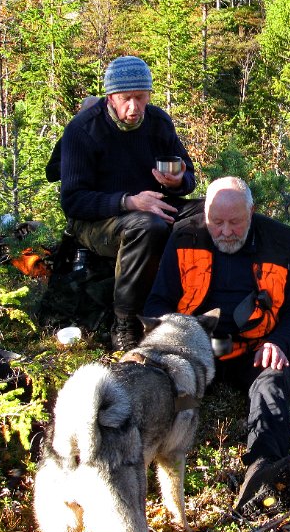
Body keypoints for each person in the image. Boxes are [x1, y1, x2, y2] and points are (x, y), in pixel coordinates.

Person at [144, 176, 290, 517]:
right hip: (196, 348)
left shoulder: (279, 243)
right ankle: (140, 461)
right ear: (205, 213)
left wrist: (278, 342)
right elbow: (157, 302)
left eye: (235, 222)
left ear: (251, 212)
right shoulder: (184, 236)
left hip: (253, 348)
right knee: (164, 389)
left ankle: (262, 472)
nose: (224, 231)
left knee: (272, 382)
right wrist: (175, 341)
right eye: (216, 222)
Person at [59, 56, 202, 351]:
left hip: (152, 206)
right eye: (126, 98)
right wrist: (128, 201)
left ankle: (200, 301)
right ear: (111, 97)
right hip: (96, 220)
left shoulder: (158, 122)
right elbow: (73, 201)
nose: (134, 107)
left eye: (141, 97)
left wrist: (177, 182)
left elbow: (189, 175)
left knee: (211, 212)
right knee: (147, 227)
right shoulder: (84, 129)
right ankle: (125, 324)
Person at [46, 96, 100, 183]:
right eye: (89, 113)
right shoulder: (69, 138)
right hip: (76, 189)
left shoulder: (111, 137)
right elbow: (51, 174)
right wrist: (72, 163)